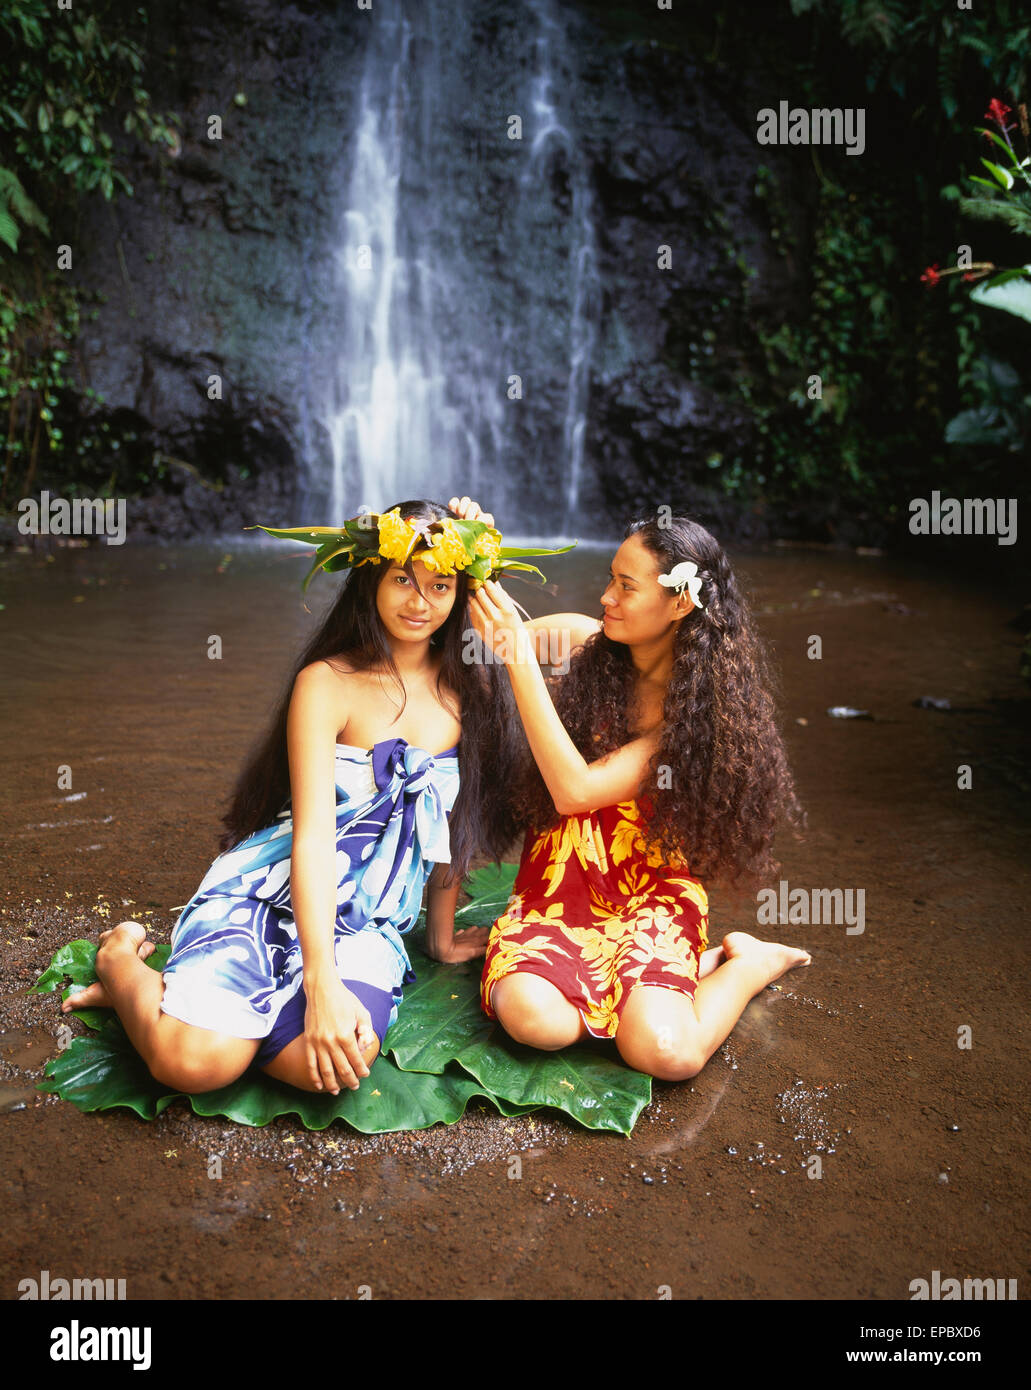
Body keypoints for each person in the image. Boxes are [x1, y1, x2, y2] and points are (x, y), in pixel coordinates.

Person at [61, 498, 522, 1097]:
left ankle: (216, 1020)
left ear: (462, 591)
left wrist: (437, 939)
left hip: (364, 921)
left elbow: (439, 829)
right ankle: (121, 963)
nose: (419, 601)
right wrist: (322, 987)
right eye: (402, 578)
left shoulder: (467, 691)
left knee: (336, 1064)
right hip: (276, 886)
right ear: (370, 579)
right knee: (192, 1066)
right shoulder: (326, 682)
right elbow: (310, 841)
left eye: (441, 584)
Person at [469, 511, 812, 1082]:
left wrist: (520, 661)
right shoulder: (581, 640)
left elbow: (575, 791)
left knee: (665, 1055)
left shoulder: (692, 721)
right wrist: (470, 548)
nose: (606, 597)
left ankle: (748, 964)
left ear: (680, 604)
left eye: (626, 587)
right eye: (610, 578)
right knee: (534, 1023)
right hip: (559, 889)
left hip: (647, 894)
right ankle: (639, 987)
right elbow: (461, 637)